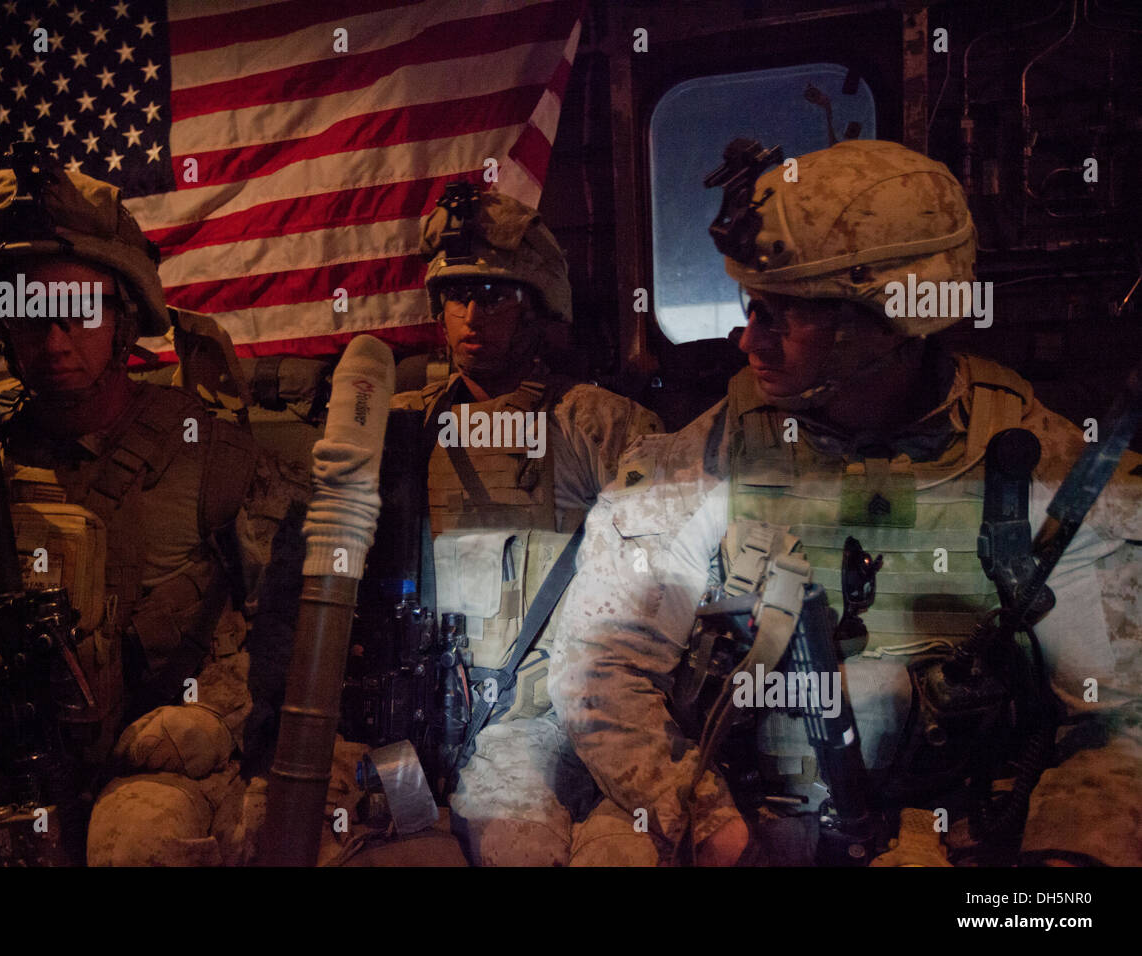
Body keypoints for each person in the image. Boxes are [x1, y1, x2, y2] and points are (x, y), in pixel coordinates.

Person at [548, 139, 1142, 866]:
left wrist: (1058, 867)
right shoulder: (703, 460)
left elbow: (1119, 723)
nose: (748, 340)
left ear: (889, 322)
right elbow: (600, 669)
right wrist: (711, 827)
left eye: (782, 315)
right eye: (751, 307)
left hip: (945, 834)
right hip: (738, 814)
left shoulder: (1042, 473)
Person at [0, 154, 291, 866]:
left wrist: (216, 711)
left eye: (76, 313)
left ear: (124, 316)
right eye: (27, 314)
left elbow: (294, 614)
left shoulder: (209, 451)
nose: (53, 342)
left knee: (139, 851)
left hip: (147, 755)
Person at [377, 185, 663, 866]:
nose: (473, 314)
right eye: (458, 295)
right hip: (453, 716)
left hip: (582, 710)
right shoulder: (403, 427)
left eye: (497, 296)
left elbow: (677, 564)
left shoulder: (593, 422)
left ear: (538, 310)